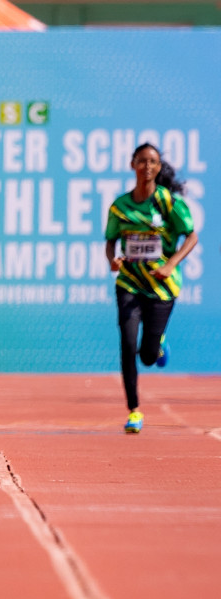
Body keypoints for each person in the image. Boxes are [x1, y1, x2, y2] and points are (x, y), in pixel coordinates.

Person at [104, 143, 198, 434]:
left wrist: (171, 265)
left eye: (153, 162)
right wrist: (113, 260)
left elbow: (191, 236)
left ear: (158, 168)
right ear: (132, 164)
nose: (147, 166)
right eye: (142, 161)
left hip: (161, 286)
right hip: (130, 282)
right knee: (128, 345)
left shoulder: (168, 202)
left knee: (146, 355)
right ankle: (134, 411)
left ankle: (157, 345)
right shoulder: (120, 206)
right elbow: (110, 241)